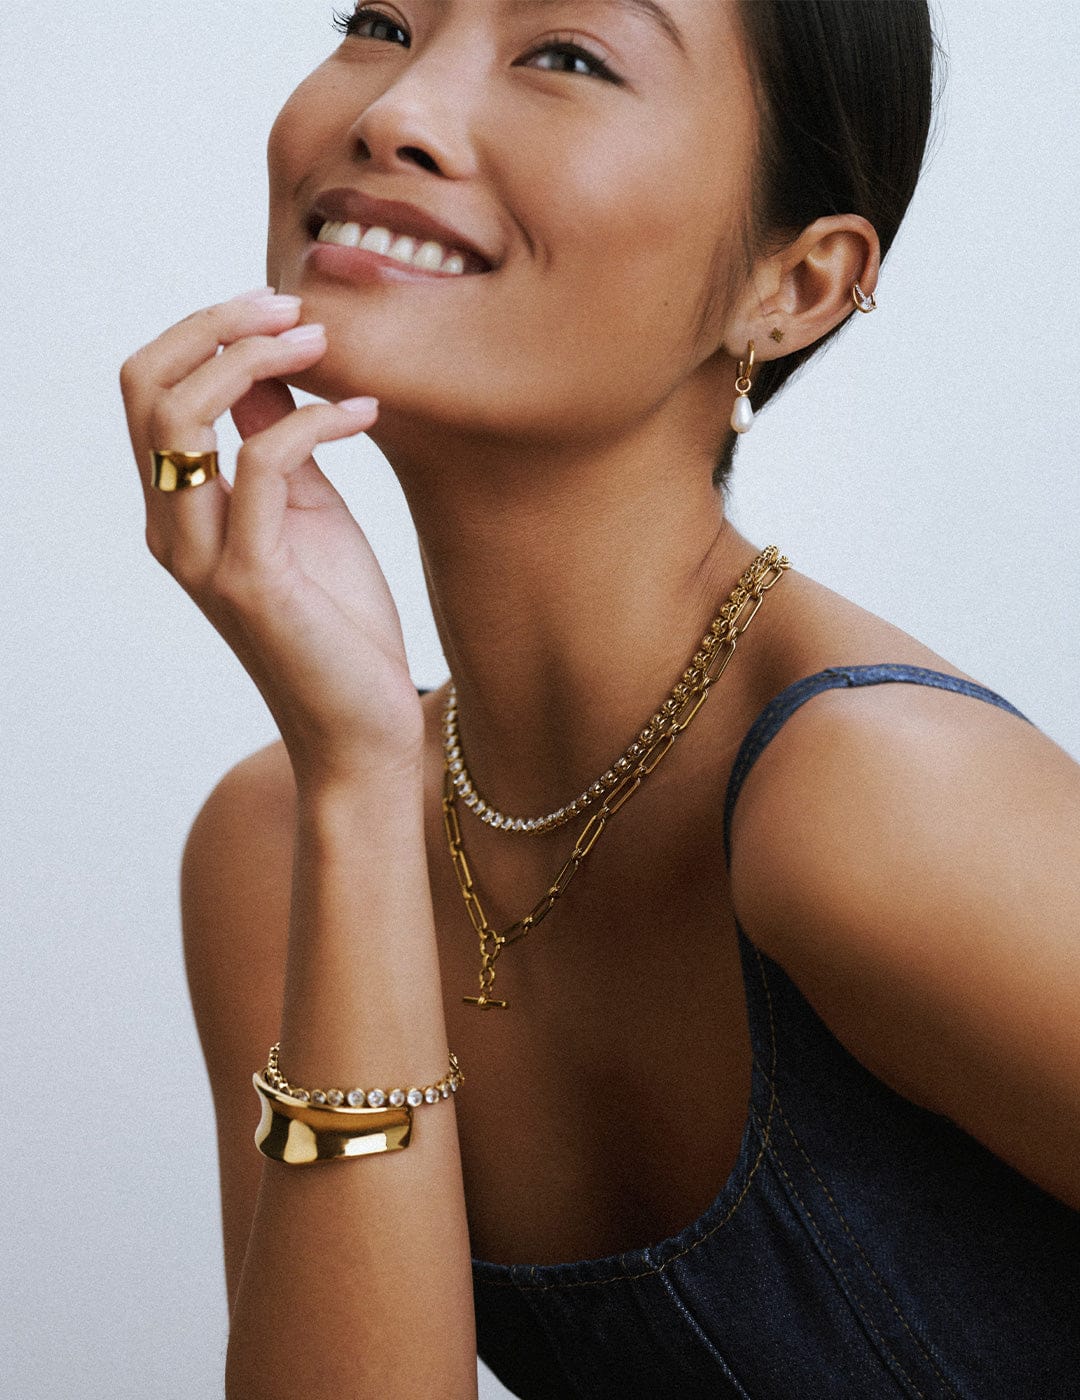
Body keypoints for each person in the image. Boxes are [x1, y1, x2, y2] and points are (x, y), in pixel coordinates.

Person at [119, 2, 1080, 1396]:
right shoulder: (282, 845)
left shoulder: (880, 799)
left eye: (567, 57)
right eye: (381, 21)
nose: (394, 113)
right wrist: (359, 781)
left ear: (795, 284)